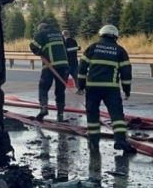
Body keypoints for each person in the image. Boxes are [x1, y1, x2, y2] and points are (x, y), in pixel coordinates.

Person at [76, 24, 136, 154]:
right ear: (115, 36)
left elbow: (81, 68)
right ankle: (120, 140)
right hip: (111, 89)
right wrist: (127, 90)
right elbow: (126, 72)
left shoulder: (92, 48)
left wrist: (80, 86)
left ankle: (93, 140)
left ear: (101, 34)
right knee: (117, 115)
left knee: (92, 114)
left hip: (92, 88)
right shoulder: (120, 50)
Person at [29, 23, 70, 122]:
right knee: (60, 90)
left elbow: (32, 45)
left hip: (50, 66)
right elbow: (65, 46)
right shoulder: (59, 33)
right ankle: (60, 115)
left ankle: (44, 108)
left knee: (43, 87)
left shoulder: (42, 33)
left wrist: (40, 52)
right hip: (64, 65)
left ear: (41, 29)